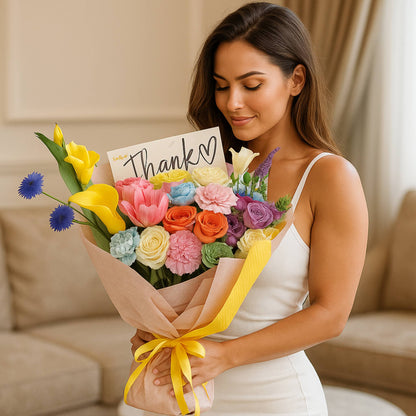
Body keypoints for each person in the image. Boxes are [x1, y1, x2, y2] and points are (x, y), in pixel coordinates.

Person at [129, 2, 368, 415]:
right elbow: (173, 280)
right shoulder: (201, 170)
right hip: (185, 390)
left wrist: (227, 356)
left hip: (273, 398)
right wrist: (153, 328)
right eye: (221, 85)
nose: (232, 102)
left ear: (296, 79)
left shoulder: (330, 178)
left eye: (251, 85)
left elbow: (331, 315)